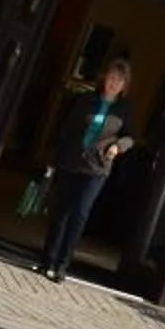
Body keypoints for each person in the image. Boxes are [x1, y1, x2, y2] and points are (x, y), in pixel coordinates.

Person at [37, 56, 133, 281]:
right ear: (104, 78)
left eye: (119, 80)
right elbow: (66, 129)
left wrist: (117, 147)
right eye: (111, 77)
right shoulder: (85, 99)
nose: (113, 83)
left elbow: (130, 137)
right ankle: (46, 260)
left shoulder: (124, 110)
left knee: (79, 213)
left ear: (124, 86)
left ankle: (62, 265)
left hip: (97, 168)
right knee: (60, 212)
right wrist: (53, 158)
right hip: (71, 162)